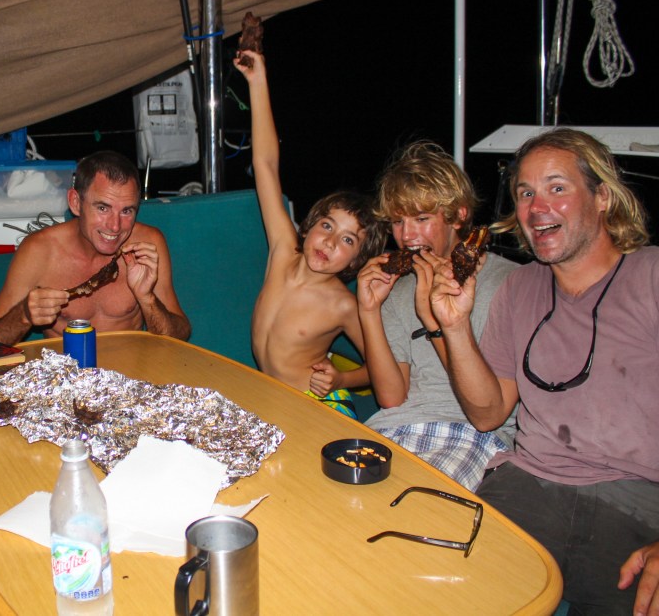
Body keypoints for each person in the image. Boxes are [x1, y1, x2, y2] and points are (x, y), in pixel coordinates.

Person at [430, 128, 658, 614]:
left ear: (602, 197)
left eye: (557, 187)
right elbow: (489, 413)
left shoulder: (651, 275)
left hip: (640, 501)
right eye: (526, 193)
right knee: (443, 596)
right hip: (527, 486)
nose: (538, 207)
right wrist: (454, 326)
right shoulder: (519, 289)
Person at [355, 141, 517, 490]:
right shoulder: (398, 291)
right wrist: (368, 310)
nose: (406, 235)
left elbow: (489, 415)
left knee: (417, 503)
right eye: (397, 221)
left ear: (458, 216)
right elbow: (391, 398)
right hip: (393, 426)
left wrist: (434, 321)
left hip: (469, 433)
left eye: (421, 219)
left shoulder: (510, 284)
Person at [234, 49, 386, 419]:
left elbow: (384, 370)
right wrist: (257, 81)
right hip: (271, 399)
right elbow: (265, 164)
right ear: (309, 226)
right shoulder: (282, 251)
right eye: (327, 226)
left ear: (356, 260)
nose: (331, 242)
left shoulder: (343, 305)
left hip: (319, 407)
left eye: (348, 240)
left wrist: (341, 379)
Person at [0, 150, 190, 345]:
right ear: (76, 203)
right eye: (103, 208)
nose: (115, 226)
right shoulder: (40, 250)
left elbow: (181, 333)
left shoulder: (147, 245)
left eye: (126, 211)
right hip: (64, 372)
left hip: (129, 371)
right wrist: (23, 315)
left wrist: (147, 299)